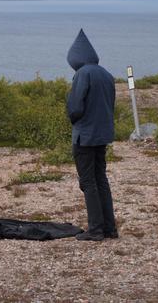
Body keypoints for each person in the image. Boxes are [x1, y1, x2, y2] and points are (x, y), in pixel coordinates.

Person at [66, 28, 118, 241]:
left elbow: (75, 107)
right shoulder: (107, 74)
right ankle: (110, 229)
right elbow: (110, 105)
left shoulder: (82, 74)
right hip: (102, 135)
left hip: (85, 137)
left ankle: (95, 230)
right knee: (101, 180)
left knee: (88, 182)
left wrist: (73, 118)